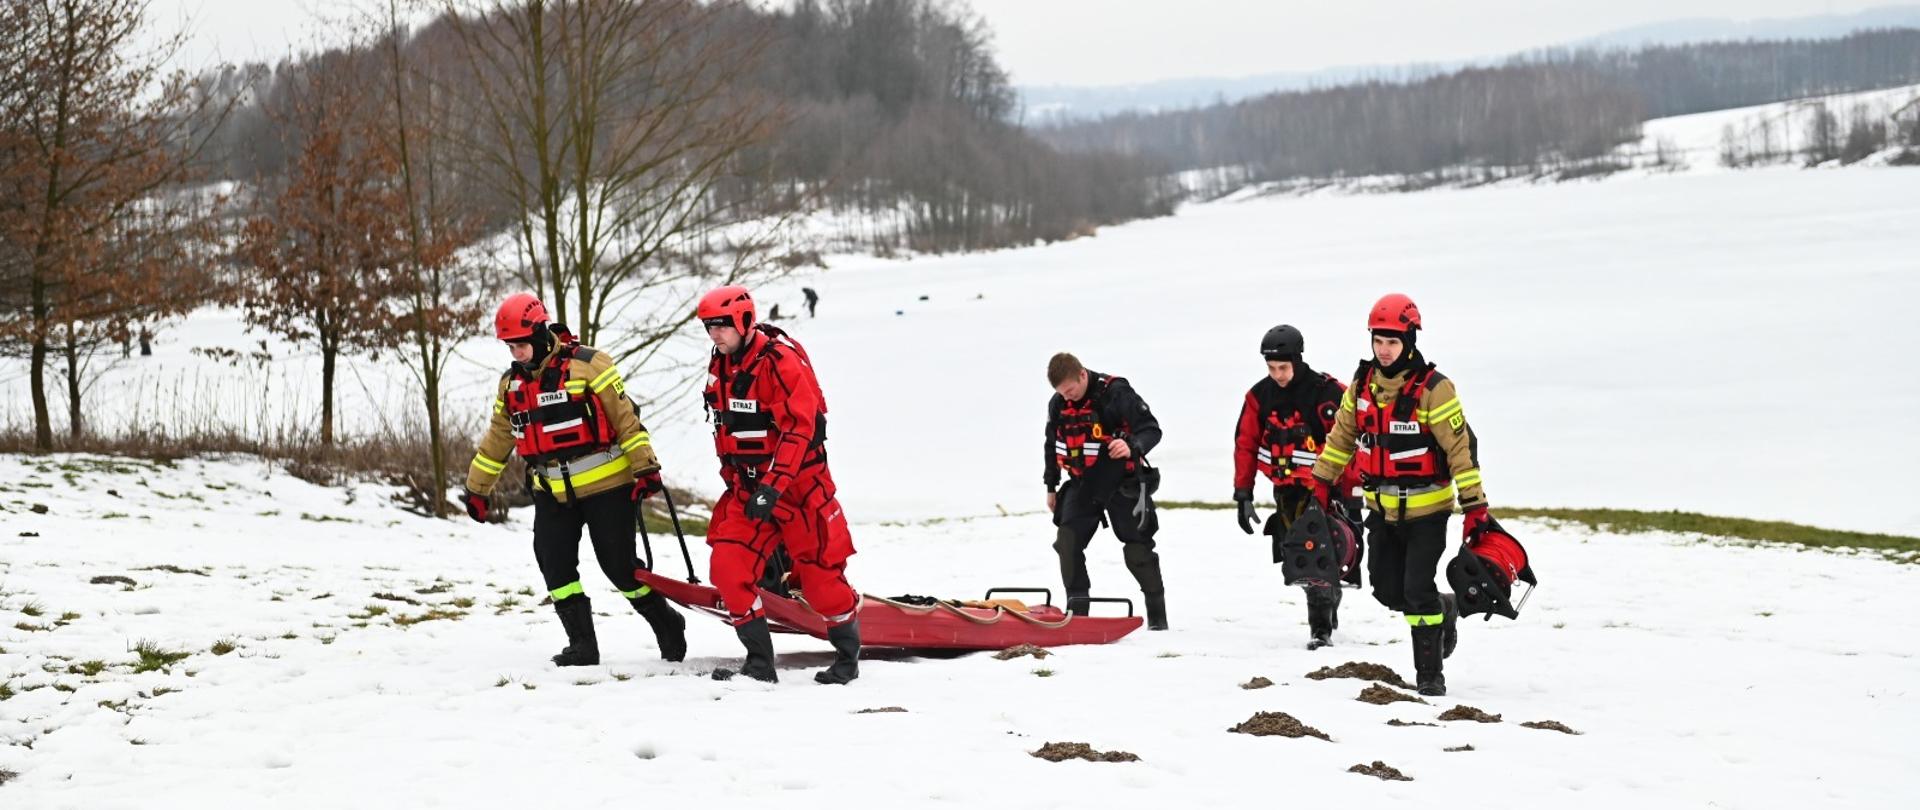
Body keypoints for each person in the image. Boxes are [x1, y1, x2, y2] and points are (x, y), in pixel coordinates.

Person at [462, 293, 687, 667]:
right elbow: (498, 438)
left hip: (608, 487)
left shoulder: (590, 364)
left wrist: (646, 469)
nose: (516, 353)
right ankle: (582, 645)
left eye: (521, 344)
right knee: (554, 564)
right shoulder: (511, 386)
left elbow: (626, 420)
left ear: (540, 333)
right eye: (510, 347)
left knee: (619, 566)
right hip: (551, 490)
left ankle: (667, 623)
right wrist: (477, 489)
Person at [1309, 293, 1491, 697]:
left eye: (1392, 340)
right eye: (1378, 340)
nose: (1384, 349)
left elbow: (1460, 452)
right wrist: (1320, 482)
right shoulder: (1361, 386)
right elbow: (1341, 438)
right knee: (1386, 590)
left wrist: (1474, 507)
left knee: (1415, 587)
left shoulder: (1436, 390)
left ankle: (1430, 676)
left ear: (1409, 339)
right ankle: (1445, 609)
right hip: (1381, 511)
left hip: (1428, 512)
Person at [697, 285, 863, 684]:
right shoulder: (721, 365)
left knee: (822, 583)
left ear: (744, 321)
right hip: (748, 491)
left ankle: (847, 659)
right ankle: (759, 664)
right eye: (708, 327)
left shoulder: (780, 363)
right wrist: (743, 483)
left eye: (721, 325)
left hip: (799, 492)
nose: (715, 334)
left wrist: (773, 486)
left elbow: (798, 430)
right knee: (727, 567)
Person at [1231, 324, 1363, 650]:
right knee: (1303, 562)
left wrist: (1351, 494)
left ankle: (1321, 631)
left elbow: (1352, 443)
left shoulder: (1328, 394)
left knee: (1315, 552)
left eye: (1283, 367)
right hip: (1286, 492)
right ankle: (1327, 604)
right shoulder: (1259, 396)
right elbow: (1245, 444)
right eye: (1271, 367)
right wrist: (1243, 493)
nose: (1277, 374)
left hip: (1325, 490)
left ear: (1298, 359)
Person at [1044, 352, 1169, 629]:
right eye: (1061, 393)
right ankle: (1077, 615)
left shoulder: (1116, 393)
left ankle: (1158, 619)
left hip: (1121, 484)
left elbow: (1152, 430)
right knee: (1067, 541)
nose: (1067, 397)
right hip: (1082, 484)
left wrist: (1132, 445)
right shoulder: (1058, 403)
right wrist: (1051, 486)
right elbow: (1051, 444)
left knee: (1138, 551)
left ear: (1082, 375)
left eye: (1071, 390)